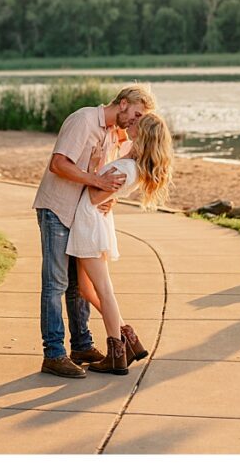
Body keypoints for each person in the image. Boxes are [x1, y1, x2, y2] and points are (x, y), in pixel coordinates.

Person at [32, 84, 156, 379]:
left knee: (77, 288)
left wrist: (108, 197)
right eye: (136, 114)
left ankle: (82, 346)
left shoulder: (114, 134)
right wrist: (97, 184)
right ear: (123, 103)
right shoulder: (84, 120)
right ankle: (54, 354)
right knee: (56, 284)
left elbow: (115, 174)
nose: (135, 121)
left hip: (80, 215)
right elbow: (58, 163)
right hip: (58, 209)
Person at [67, 112, 173, 375]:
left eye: (137, 122)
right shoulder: (130, 163)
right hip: (93, 224)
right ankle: (128, 337)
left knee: (103, 289)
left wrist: (91, 169)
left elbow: (93, 195)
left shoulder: (125, 168)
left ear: (143, 134)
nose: (132, 123)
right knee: (85, 289)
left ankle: (116, 353)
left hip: (89, 225)